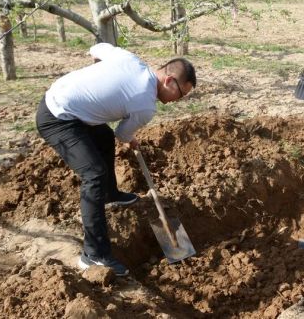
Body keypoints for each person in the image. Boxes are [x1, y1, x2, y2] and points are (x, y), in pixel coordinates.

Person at [35, 43, 196, 276]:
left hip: (68, 106)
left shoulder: (131, 60)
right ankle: (94, 255)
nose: (177, 100)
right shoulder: (145, 104)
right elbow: (123, 134)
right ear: (169, 81)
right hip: (57, 118)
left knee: (104, 136)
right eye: (180, 94)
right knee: (94, 174)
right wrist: (129, 138)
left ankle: (111, 194)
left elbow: (97, 47)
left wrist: (100, 79)